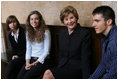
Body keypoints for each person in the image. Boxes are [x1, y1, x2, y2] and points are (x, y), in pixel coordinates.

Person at [42, 6, 91, 79]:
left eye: (71, 18)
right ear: (63, 21)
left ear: (76, 18)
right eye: (66, 19)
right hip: (63, 66)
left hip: (76, 69)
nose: (69, 21)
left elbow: (85, 58)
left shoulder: (84, 33)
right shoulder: (62, 33)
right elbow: (60, 54)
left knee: (47, 73)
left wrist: (86, 77)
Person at [17, 10, 51, 79]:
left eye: (36, 19)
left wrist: (34, 63)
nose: (34, 21)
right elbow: (28, 49)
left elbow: (46, 52)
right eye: (31, 19)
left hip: (42, 61)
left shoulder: (46, 32)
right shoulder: (28, 32)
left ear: (40, 20)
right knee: (19, 77)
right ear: (29, 21)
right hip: (31, 59)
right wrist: (27, 63)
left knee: (26, 77)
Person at [89, 6, 117, 79]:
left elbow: (114, 73)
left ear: (109, 22)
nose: (93, 25)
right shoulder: (104, 38)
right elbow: (104, 63)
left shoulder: (115, 41)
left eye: (97, 21)